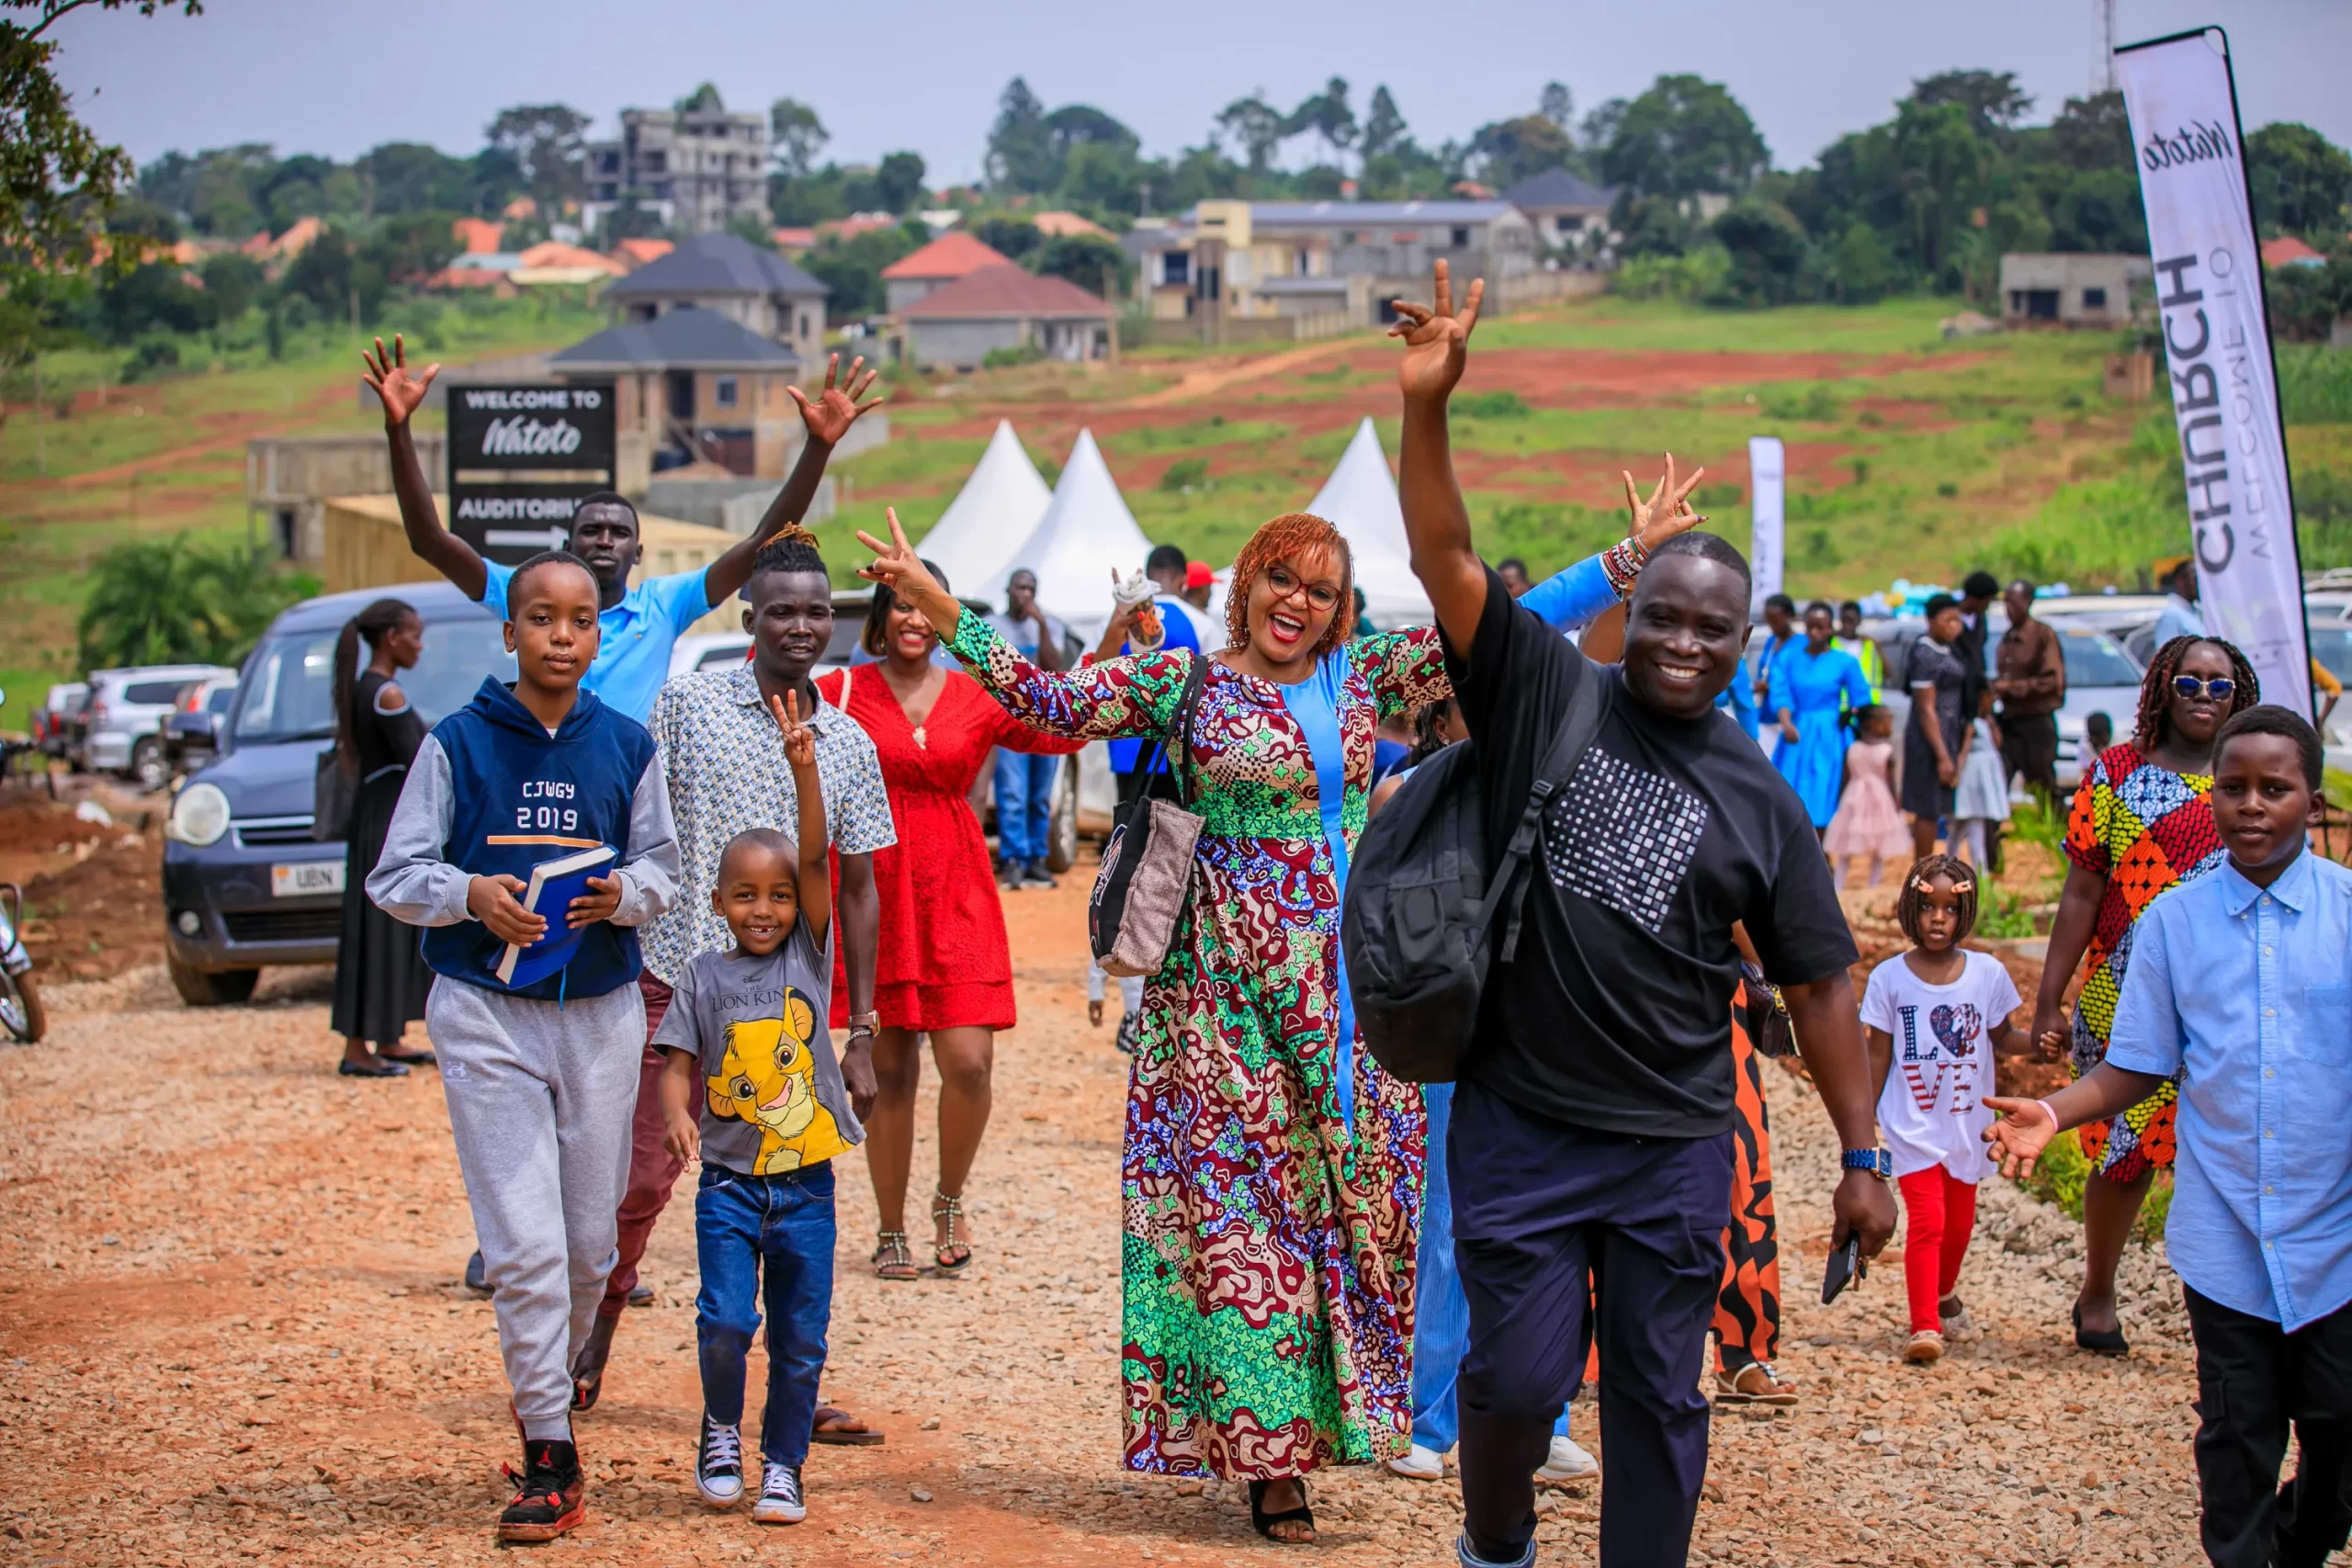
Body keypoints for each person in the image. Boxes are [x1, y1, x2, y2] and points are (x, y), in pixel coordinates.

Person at [863, 468, 1690, 1543]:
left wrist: (1623, 561)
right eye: (1281, 579)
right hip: (1218, 1000)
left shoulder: (1364, 673)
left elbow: (1505, 623)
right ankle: (1270, 1461)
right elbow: (1046, 701)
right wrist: (937, 605)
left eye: (1321, 590)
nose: (1297, 602)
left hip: (1352, 999)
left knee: (1348, 1216)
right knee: (1244, 1223)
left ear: (1341, 609)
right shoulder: (1184, 681)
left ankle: (1342, 1420)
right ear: (1247, 582)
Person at [1389, 260, 1892, 1568]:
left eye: (1709, 629)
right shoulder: (1547, 692)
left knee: (1662, 1399)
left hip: (1671, 1138)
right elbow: (1443, 555)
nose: (1679, 642)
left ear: (1743, 642)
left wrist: (1864, 1153)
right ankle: (1495, 1543)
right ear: (1633, 613)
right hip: (1519, 1115)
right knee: (1513, 1378)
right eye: (1660, 616)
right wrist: (1427, 405)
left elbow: (1821, 978)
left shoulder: (1761, 799)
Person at [1986, 705, 2351, 1568]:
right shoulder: (2175, 922)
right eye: (2233, 787)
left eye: (2274, 788)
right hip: (2226, 1235)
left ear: (2312, 801)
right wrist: (2056, 1111)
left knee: (2340, 1433)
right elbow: (2138, 1064)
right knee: (2237, 1436)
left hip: (2337, 1236)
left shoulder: (2347, 915)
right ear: (2210, 793)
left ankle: (2297, 1544)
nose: (2251, 804)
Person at [366, 549, 680, 1543]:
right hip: (484, 1014)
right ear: (509, 631)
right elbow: (395, 874)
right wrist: (469, 893)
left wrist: (622, 894)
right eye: (540, 617)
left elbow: (665, 866)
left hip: (600, 1013)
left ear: (597, 635)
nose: (560, 635)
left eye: (580, 620)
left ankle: (554, 1371)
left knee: (588, 1246)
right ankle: (549, 1447)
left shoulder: (626, 744)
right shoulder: (457, 744)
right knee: (526, 1246)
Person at [569, 532, 892, 1448]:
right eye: (782, 610)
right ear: (750, 618)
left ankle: (793, 1386)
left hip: (785, 1012)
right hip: (675, 980)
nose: (801, 627)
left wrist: (860, 1029)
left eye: (817, 612)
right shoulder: (688, 705)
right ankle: (595, 1323)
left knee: (787, 1197)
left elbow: (858, 888)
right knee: (643, 1179)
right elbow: (633, 820)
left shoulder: (848, 741)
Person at [361, 334, 879, 725]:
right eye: (591, 530)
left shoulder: (662, 606)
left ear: (639, 552)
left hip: (628, 794)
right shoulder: (523, 592)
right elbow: (429, 541)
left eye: (618, 532)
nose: (605, 539)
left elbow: (760, 542)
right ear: (567, 546)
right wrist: (397, 429)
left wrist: (818, 447)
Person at [818, 560, 1083, 1282]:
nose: (912, 618)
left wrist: (1115, 641)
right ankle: (890, 1226)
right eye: (900, 604)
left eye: (924, 604)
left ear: (944, 616)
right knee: (890, 1070)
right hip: (876, 891)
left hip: (957, 887)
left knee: (969, 1061)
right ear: (881, 615)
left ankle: (949, 1197)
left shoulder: (974, 694)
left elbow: (1059, 729)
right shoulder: (841, 693)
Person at [656, 701, 865, 1527]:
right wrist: (677, 1115)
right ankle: (720, 1428)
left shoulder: (807, 957)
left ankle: (783, 1465)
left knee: (800, 1339)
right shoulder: (702, 975)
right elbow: (676, 1064)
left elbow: (815, 856)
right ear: (718, 901)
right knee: (724, 1319)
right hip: (728, 1185)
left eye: (779, 895)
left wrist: (804, 770)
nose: (765, 909)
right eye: (745, 895)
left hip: (807, 1186)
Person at [2030, 633, 2257, 1353]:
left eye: (2219, 685)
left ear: (2240, 694)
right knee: (2124, 1154)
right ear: (2162, 685)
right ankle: (2098, 1288)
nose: (2203, 696)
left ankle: (2228, 1308)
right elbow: (2081, 891)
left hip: (2227, 1001)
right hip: (2122, 996)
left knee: (2222, 1159)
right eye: (2189, 682)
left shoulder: (2250, 779)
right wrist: (2048, 998)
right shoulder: (2115, 773)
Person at [1860, 855, 2024, 1364]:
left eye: (1951, 909)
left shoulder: (1987, 974)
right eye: (1928, 907)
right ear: (1910, 908)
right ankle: (1924, 1325)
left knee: (1959, 1226)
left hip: (1967, 1126)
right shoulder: (1889, 978)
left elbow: (2004, 1037)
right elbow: (1877, 1054)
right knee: (1928, 1222)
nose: (1938, 919)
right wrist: (1861, 1122)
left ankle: (1944, 1291)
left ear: (1965, 913)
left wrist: (2039, 1045)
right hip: (1912, 1124)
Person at [328, 597, 435, 1077]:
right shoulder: (387, 694)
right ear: (392, 637)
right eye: (415, 636)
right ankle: (357, 1049)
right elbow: (420, 757)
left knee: (385, 927)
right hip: (386, 822)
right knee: (377, 927)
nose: (420, 646)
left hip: (374, 815)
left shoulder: (364, 688)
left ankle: (388, 1038)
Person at [986, 568, 1069, 890]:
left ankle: (1037, 859)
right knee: (1012, 794)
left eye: (1031, 589)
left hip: (1044, 724)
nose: (1025, 594)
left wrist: (1041, 624)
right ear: (1008, 590)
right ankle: (1014, 860)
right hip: (1009, 722)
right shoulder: (993, 626)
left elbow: (1053, 665)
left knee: (1040, 795)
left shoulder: (1050, 625)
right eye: (1020, 587)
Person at [1769, 600, 1873, 838]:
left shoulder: (1845, 661)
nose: (1815, 633)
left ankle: (1822, 846)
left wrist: (1851, 717)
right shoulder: (1788, 658)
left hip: (1830, 734)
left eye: (1821, 627)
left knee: (1824, 792)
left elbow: (1862, 698)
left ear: (1830, 628)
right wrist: (1786, 723)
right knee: (1790, 792)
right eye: (1811, 627)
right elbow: (1781, 694)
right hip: (1797, 732)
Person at [1902, 593, 1972, 860]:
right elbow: (1925, 709)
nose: (1955, 626)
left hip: (1948, 735)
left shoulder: (1950, 648)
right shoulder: (1924, 652)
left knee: (1939, 805)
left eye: (1957, 620)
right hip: (1929, 740)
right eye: (1948, 620)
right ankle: (1922, 868)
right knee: (1927, 808)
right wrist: (1942, 755)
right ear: (1930, 620)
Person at [1992, 579, 2064, 803]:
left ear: (2028, 602)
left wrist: (2011, 688)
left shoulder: (2043, 635)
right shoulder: (2007, 637)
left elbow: (2051, 681)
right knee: (2000, 777)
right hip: (2010, 720)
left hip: (2036, 722)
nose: (2008, 609)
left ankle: (2056, 824)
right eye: (2006, 603)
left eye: (2014, 603)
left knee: (2042, 784)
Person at [1824, 706, 1912, 889]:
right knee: (1879, 846)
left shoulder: (1852, 749)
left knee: (1847, 844)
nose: (1890, 726)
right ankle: (1872, 885)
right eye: (1887, 722)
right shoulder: (1886, 751)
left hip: (1853, 798)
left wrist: (1839, 802)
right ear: (1872, 724)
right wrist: (1897, 804)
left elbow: (1844, 780)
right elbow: (1891, 784)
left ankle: (1838, 885)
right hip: (1880, 800)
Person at [1951, 690, 2011, 868]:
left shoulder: (1988, 723)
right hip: (1974, 779)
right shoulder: (1972, 725)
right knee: (1971, 827)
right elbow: (1964, 751)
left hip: (1987, 777)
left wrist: (1993, 726)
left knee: (1961, 829)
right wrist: (1957, 775)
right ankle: (1979, 870)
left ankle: (1956, 862)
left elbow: (1998, 743)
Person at [1749, 593, 1799, 756]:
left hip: (1790, 719)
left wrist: (1772, 687)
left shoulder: (1801, 645)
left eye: (1776, 621)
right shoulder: (1771, 642)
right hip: (1767, 716)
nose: (1772, 626)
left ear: (1790, 616)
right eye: (1769, 621)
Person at [1952, 570, 1999, 722]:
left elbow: (1979, 655)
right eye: (1987, 602)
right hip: (1956, 696)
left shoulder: (1980, 620)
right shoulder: (1950, 621)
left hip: (1975, 695)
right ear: (1973, 599)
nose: (1987, 607)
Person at [1834, 601, 1884, 702]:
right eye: (1845, 620)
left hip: (1868, 703)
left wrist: (1879, 648)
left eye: (1851, 621)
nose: (1847, 625)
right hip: (1841, 705)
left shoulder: (1869, 645)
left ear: (1859, 621)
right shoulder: (1832, 643)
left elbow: (1888, 673)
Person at [2154, 556, 2205, 647]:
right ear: (2180, 581)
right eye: (2195, 579)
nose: (2200, 584)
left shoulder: (2195, 612)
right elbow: (2166, 652)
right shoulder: (2171, 616)